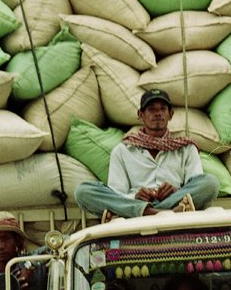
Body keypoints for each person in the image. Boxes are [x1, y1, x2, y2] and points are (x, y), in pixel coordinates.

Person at [74, 88, 219, 220]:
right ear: (140, 115)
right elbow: (118, 194)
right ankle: (155, 212)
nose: (158, 113)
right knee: (82, 191)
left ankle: (145, 213)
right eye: (151, 109)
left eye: (163, 109)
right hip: (143, 204)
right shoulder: (123, 150)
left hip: (173, 201)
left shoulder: (186, 149)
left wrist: (176, 191)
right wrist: (135, 196)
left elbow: (196, 184)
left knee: (211, 182)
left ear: (171, 114)